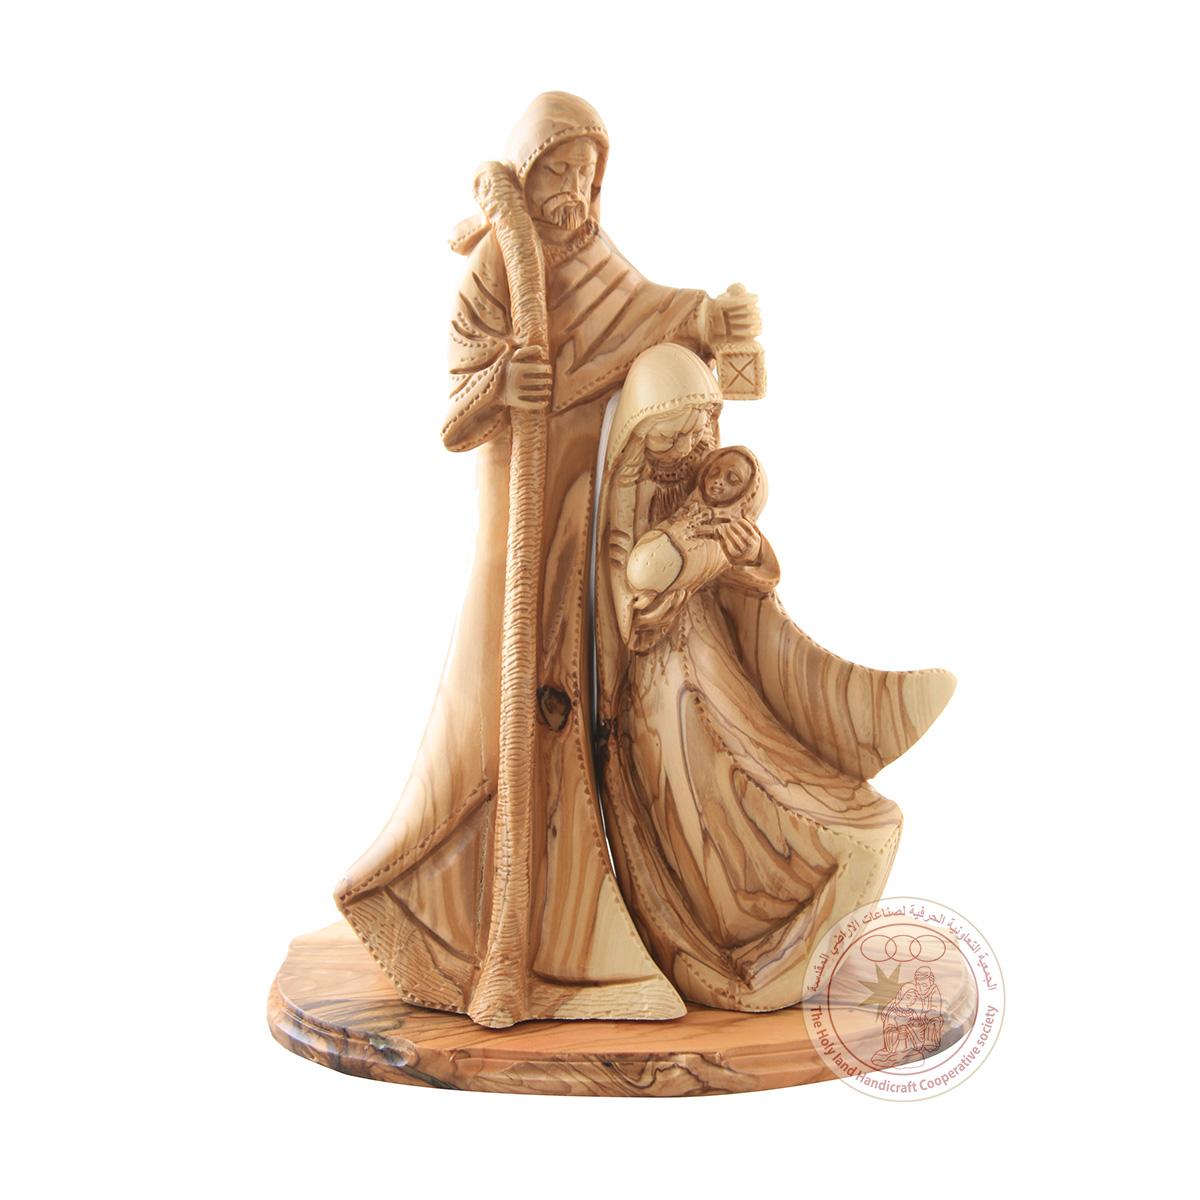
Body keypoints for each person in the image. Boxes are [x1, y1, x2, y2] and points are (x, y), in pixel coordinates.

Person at [335, 93, 760, 1027]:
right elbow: (454, 417)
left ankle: (569, 930)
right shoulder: (497, 266)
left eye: (589, 174)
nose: (576, 190)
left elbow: (646, 312)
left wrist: (708, 317)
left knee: (575, 694)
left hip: (587, 500)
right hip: (516, 507)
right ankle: (453, 915)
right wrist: (504, 382)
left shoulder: (591, 258)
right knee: (494, 698)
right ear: (528, 172)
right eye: (560, 169)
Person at [594, 344, 956, 1012]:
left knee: (757, 765)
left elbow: (748, 576)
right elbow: (626, 599)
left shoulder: (707, 483)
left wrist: (745, 553)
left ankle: (778, 906)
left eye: (698, 432)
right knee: (703, 791)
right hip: (659, 683)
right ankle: (733, 921)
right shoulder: (624, 503)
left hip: (710, 653)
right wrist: (671, 577)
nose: (686, 451)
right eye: (667, 437)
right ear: (638, 438)